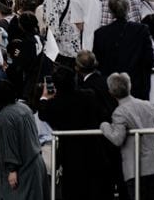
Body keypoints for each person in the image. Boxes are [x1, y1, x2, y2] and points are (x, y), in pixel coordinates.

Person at [38, 67, 112, 199]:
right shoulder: (89, 95)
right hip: (94, 151)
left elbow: (43, 114)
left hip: (71, 156)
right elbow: (103, 113)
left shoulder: (54, 104)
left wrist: (44, 97)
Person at [100, 72, 154, 199]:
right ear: (130, 86)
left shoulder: (119, 113)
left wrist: (105, 126)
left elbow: (117, 139)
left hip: (136, 169)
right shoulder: (147, 105)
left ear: (111, 92)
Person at [0, 80, 49, 200]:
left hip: (22, 169)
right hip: (36, 162)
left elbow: (10, 144)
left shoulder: (6, 116)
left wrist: (12, 170)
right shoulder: (24, 108)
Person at [93, 0, 154, 99]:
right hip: (137, 85)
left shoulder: (100, 34)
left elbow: (98, 62)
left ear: (110, 11)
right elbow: (149, 59)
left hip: (111, 87)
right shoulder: (141, 30)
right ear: (128, 8)